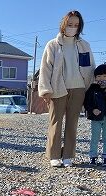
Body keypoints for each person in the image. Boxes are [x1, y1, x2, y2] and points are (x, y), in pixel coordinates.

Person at [38, 10, 95, 168]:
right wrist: (45, 90)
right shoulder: (53, 45)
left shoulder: (85, 45)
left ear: (80, 26)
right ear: (64, 24)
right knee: (56, 122)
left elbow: (90, 68)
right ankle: (54, 155)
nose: (72, 27)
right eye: (70, 24)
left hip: (78, 89)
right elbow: (45, 68)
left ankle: (68, 155)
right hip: (58, 88)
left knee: (72, 123)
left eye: (76, 25)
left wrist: (88, 88)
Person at [84, 64, 106, 166]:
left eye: (105, 76)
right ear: (95, 77)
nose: (101, 79)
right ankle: (93, 157)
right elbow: (87, 102)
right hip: (96, 118)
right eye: (99, 76)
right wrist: (92, 110)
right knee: (95, 137)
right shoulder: (92, 89)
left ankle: (105, 157)